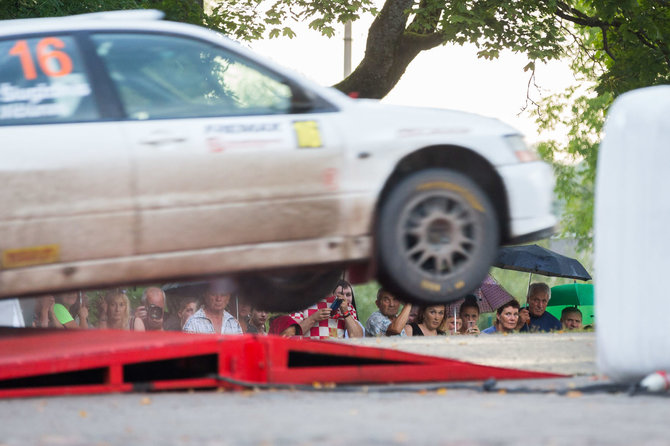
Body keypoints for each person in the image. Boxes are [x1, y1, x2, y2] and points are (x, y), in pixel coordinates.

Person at [290, 280, 363, 340]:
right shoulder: (301, 304)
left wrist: (346, 312)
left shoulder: (346, 305)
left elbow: (358, 337)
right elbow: (291, 334)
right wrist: (313, 319)